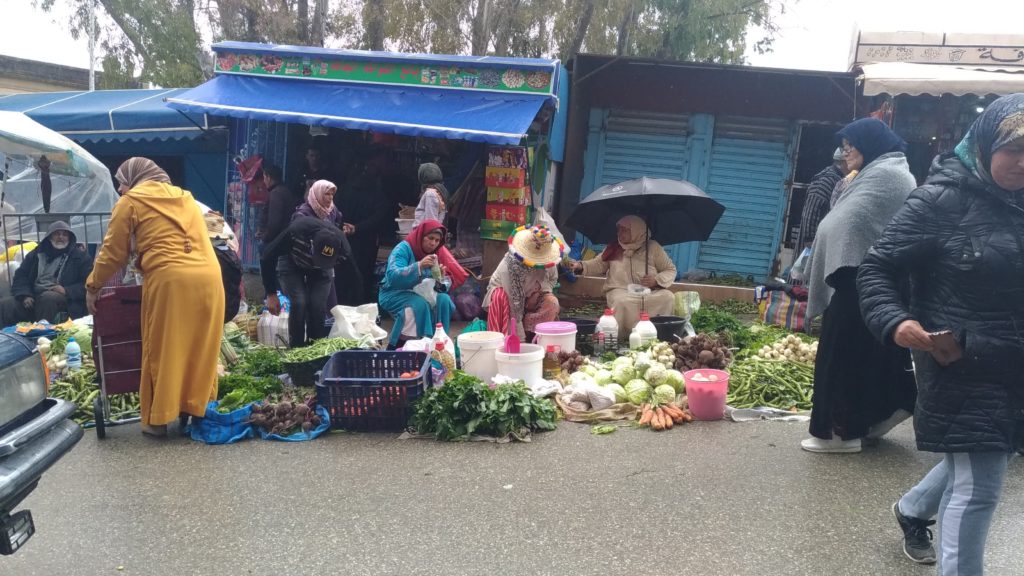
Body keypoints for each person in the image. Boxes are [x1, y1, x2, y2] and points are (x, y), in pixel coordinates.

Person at [858, 94, 1024, 572]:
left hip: (1014, 361)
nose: (1020, 162)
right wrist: (895, 320)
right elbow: (878, 268)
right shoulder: (939, 199)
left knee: (987, 452)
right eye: (1012, 148)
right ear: (986, 142)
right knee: (980, 486)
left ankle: (912, 509)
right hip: (959, 359)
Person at [799, 118, 918, 454]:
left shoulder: (891, 176)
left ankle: (841, 434)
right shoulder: (876, 174)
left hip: (863, 279)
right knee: (865, 356)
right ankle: (866, 422)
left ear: (871, 144)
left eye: (851, 145)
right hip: (858, 278)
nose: (845, 151)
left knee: (843, 356)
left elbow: (849, 223)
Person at [84, 157, 224, 437]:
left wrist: (93, 286)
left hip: (170, 280)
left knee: (162, 348)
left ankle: (158, 420)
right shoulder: (185, 197)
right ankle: (196, 410)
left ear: (134, 180)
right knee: (199, 346)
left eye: (122, 184)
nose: (121, 191)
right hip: (209, 276)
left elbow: (113, 252)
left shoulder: (131, 202)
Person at [569, 215, 676, 338]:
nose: (620, 233)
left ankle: (658, 332)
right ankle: (620, 336)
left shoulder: (653, 247)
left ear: (637, 231)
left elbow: (670, 269)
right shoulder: (614, 248)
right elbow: (598, 264)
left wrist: (656, 280)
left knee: (668, 297)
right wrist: (580, 265)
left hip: (648, 292)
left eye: (625, 230)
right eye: (619, 229)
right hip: (621, 290)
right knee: (621, 302)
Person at [261, 217, 348, 348]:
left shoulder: (343, 249)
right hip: (292, 259)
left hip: (321, 270)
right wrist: (271, 294)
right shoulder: (295, 232)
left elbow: (353, 276)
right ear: (312, 243)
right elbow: (266, 257)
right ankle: (296, 351)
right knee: (299, 302)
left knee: (317, 305)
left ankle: (315, 350)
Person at [378, 219, 453, 348]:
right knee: (419, 305)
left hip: (422, 293)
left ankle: (440, 344)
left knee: (444, 300)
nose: (433, 243)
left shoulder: (436, 253)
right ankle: (401, 346)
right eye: (430, 238)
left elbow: (442, 285)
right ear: (421, 236)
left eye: (437, 241)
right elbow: (393, 276)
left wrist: (440, 277)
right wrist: (418, 266)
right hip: (394, 292)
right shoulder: (403, 249)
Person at [0, 221, 92, 324]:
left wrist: (66, 290)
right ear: (49, 236)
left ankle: (42, 336)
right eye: (57, 234)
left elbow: (88, 283)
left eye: (65, 234)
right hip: (33, 294)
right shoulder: (36, 253)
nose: (61, 237)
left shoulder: (80, 257)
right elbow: (21, 275)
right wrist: (25, 294)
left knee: (48, 298)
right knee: (5, 304)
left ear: (69, 238)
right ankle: (6, 338)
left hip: (63, 298)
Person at [483, 226, 563, 340]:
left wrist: (540, 291)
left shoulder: (548, 261)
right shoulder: (509, 268)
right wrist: (520, 338)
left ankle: (535, 336)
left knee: (552, 302)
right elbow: (513, 305)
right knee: (500, 297)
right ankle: (510, 338)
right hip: (509, 298)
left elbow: (552, 279)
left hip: (532, 295)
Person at [335, 151, 395, 305]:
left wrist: (344, 226)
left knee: (342, 271)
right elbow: (378, 218)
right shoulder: (377, 194)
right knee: (362, 272)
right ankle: (359, 305)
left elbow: (336, 210)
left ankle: (340, 305)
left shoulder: (345, 190)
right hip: (365, 241)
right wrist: (358, 228)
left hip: (343, 237)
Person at [292, 179, 352, 312]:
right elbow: (298, 238)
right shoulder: (303, 213)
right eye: (326, 194)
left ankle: (326, 327)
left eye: (332, 194)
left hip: (326, 259)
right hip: (307, 262)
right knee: (310, 302)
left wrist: (342, 232)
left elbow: (337, 226)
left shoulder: (332, 211)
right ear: (317, 194)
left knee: (328, 300)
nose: (330, 198)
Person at [795, 147, 847, 251]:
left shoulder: (839, 180)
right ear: (843, 162)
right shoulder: (825, 181)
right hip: (812, 247)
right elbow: (810, 212)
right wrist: (810, 244)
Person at [258, 164, 299, 247]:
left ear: (269, 177)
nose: (264, 181)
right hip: (281, 239)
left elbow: (274, 222)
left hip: (276, 241)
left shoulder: (276, 193)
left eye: (264, 177)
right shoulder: (283, 190)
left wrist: (265, 237)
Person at [413, 162, 448, 227]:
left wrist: (428, 236)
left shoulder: (430, 194)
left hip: (427, 234)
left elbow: (431, 222)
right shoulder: (438, 190)